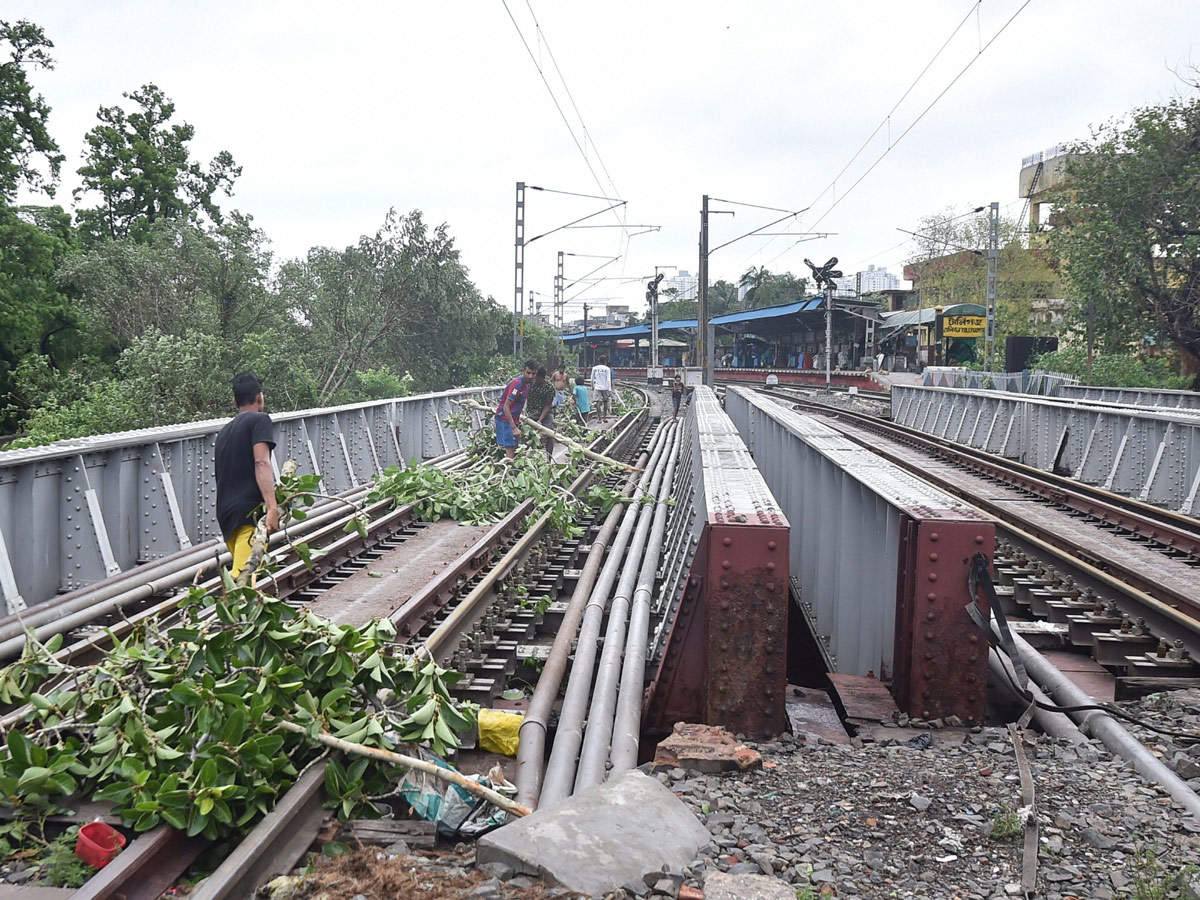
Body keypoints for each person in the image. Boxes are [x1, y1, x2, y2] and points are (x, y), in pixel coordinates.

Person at [215, 372, 279, 580]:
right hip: (248, 514)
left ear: (235, 402)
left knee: (245, 576)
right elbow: (261, 462)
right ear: (260, 397)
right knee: (242, 585)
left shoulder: (224, 431)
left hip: (226, 515)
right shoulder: (260, 420)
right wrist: (272, 507)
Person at [495, 359, 538, 458]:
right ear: (523, 371)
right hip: (505, 419)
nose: (530, 376)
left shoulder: (528, 384)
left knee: (515, 447)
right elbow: (506, 406)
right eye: (528, 373)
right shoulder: (517, 384)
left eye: (533, 374)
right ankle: (509, 470)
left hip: (514, 418)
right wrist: (514, 428)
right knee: (510, 448)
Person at [528, 366, 557, 459]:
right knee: (530, 436)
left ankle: (549, 459)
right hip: (531, 412)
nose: (536, 380)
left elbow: (548, 405)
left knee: (549, 435)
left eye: (538, 378)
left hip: (546, 412)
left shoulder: (549, 387)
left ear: (543, 377)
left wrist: (540, 420)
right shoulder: (530, 384)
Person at [591, 355, 613, 422]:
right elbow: (609, 380)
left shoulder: (594, 368)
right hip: (605, 387)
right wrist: (609, 390)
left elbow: (592, 378)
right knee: (605, 402)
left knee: (598, 402)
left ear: (599, 360)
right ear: (605, 361)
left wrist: (592, 386)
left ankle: (599, 418)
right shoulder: (607, 369)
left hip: (597, 387)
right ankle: (604, 417)